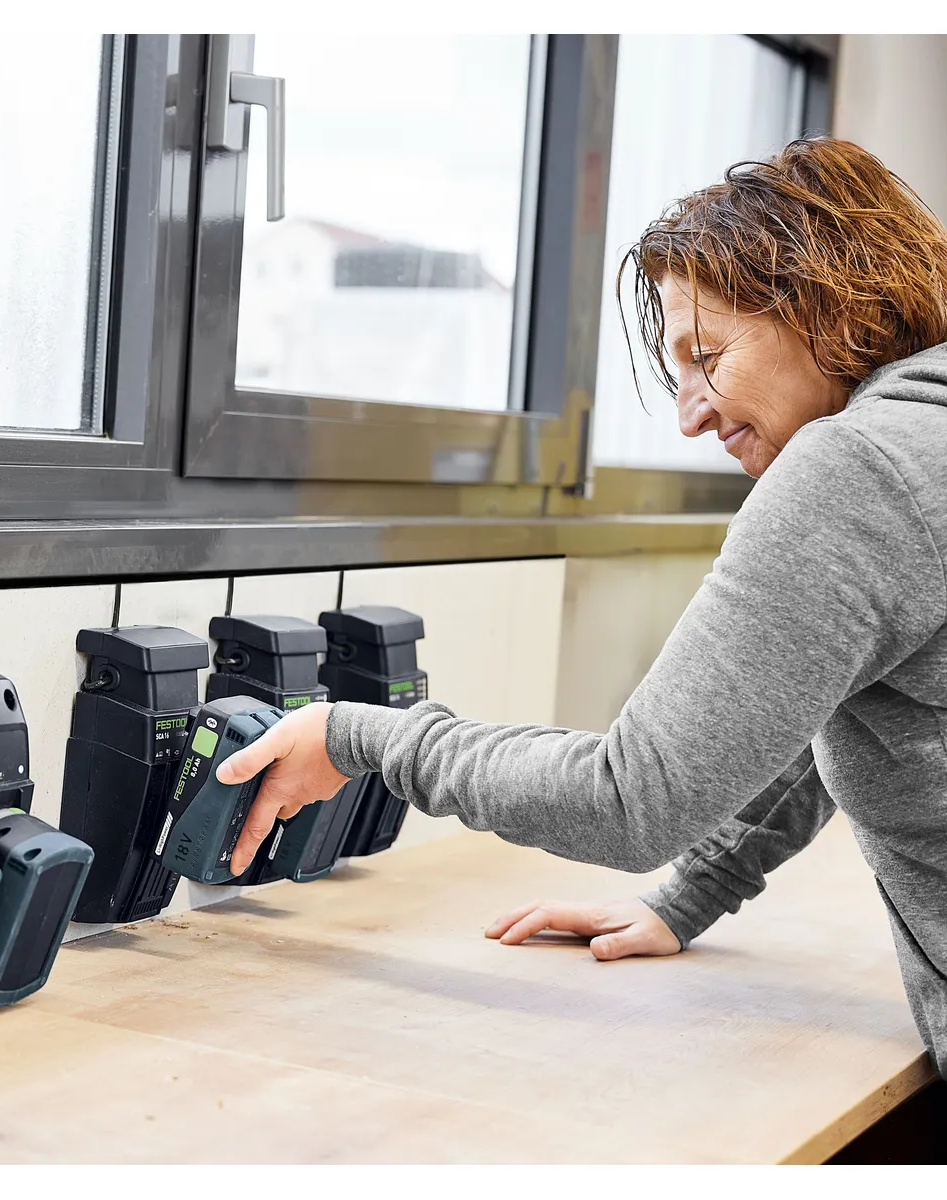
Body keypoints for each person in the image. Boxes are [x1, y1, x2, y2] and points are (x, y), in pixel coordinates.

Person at [217, 137, 947, 1076]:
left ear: (829, 308)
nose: (689, 413)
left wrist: (355, 737)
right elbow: (832, 697)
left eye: (706, 355)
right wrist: (690, 896)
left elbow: (627, 800)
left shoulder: (861, 469)